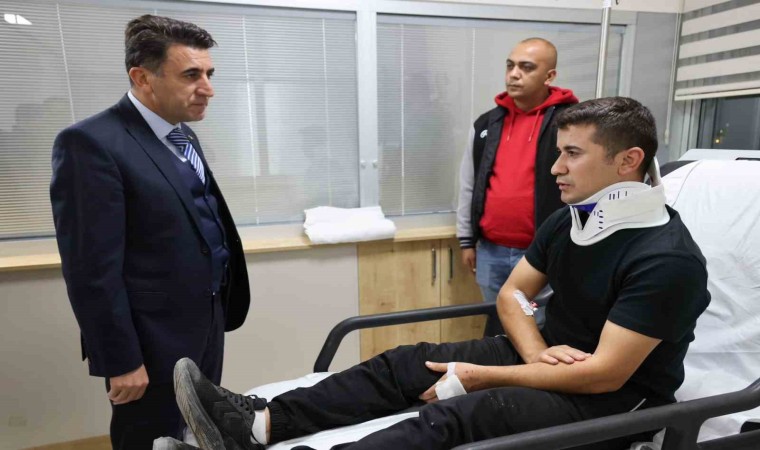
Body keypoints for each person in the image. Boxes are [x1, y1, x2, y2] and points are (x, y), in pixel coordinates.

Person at [158, 97, 710, 450]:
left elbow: (606, 376)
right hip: (550, 358)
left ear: (628, 161)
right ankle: (258, 425)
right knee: (408, 362)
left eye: (571, 154)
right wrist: (536, 352)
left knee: (462, 415)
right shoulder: (572, 220)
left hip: (618, 399)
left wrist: (484, 375)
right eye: (557, 152)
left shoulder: (666, 259)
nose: (555, 168)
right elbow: (515, 294)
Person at [50, 15, 250, 449]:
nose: (208, 88)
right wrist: (120, 359)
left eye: (210, 74)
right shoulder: (91, 143)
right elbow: (90, 269)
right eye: (191, 75)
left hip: (206, 320)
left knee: (196, 432)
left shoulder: (182, 136)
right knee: (150, 438)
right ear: (142, 78)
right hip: (151, 337)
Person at [457, 37, 578, 335]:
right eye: (510, 66)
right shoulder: (487, 124)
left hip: (542, 252)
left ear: (550, 76)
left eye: (526, 67)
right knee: (498, 323)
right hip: (491, 250)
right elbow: (469, 183)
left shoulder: (570, 123)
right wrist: (466, 240)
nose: (514, 74)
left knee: (537, 326)